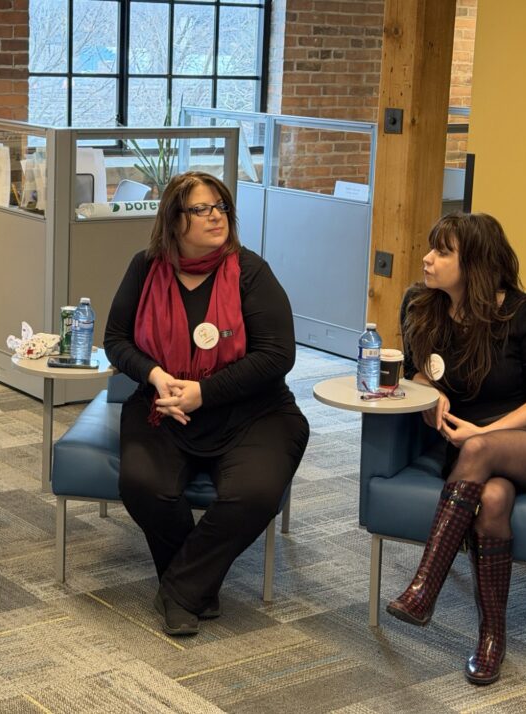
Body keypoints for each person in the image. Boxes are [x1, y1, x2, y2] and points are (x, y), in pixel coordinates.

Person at [104, 171, 309, 636]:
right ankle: (197, 586)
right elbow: (116, 340)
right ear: (175, 219)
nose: (216, 216)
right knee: (143, 485)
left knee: (253, 494)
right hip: (164, 406)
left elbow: (278, 356)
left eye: (220, 207)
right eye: (202, 208)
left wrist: (204, 392)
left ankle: (180, 589)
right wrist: (157, 378)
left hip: (253, 412)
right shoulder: (145, 268)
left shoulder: (250, 272)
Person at [387, 212, 526, 684]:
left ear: (473, 263)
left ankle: (423, 588)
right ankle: (492, 637)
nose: (428, 259)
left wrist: (483, 436)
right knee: (491, 499)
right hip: (468, 445)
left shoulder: (522, 312)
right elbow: (414, 368)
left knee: (481, 453)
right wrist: (431, 393)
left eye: (442, 252)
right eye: (431, 248)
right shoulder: (422, 305)